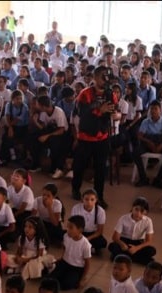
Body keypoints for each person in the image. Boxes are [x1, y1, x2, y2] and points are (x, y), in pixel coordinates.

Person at [71, 66, 116, 207]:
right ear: (95, 78)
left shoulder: (111, 94)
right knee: (79, 166)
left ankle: (99, 196)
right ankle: (75, 189)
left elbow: (114, 110)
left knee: (101, 168)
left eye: (107, 76)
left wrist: (116, 115)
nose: (105, 79)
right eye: (102, 76)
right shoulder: (85, 94)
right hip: (85, 137)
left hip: (102, 136)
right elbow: (82, 114)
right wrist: (99, 110)